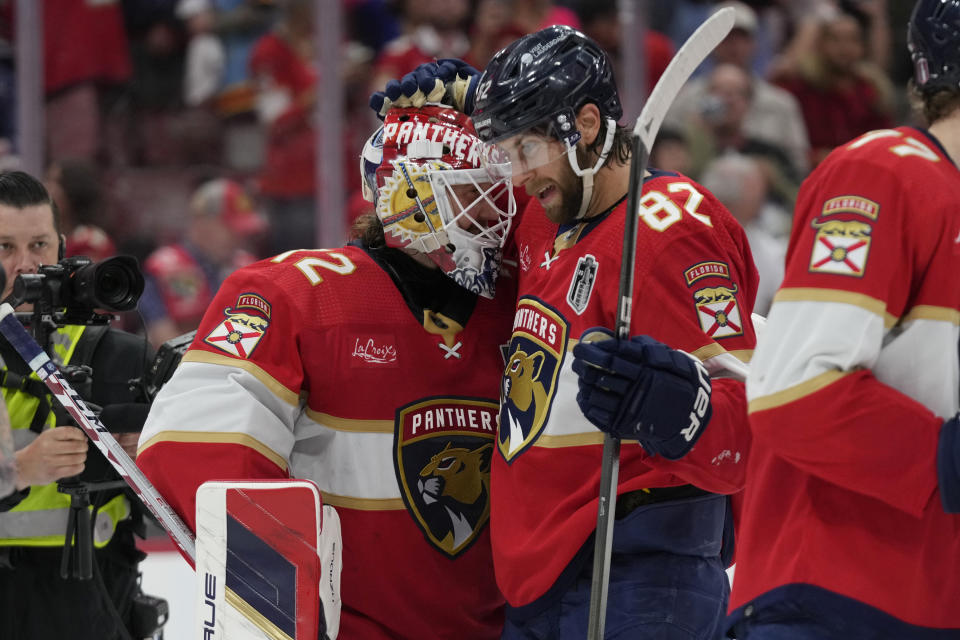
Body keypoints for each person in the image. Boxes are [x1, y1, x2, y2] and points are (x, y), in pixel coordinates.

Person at [371, 25, 758, 638]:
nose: (519, 178)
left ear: (582, 125)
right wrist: (455, 105)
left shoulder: (669, 230)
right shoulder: (546, 216)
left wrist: (675, 404)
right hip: (541, 577)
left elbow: (747, 430)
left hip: (636, 576)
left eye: (526, 152)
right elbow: (463, 201)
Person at [137, 104, 518, 638]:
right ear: (410, 196)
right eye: (469, 188)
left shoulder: (520, 302)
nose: (492, 208)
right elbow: (191, 443)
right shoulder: (295, 293)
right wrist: (279, 603)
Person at [728, 1, 960, 637]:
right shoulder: (886, 172)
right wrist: (945, 456)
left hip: (931, 596)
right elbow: (794, 391)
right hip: (832, 595)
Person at [0, 171, 155, 639]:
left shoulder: (118, 355)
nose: (25, 265)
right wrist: (21, 469)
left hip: (90, 594)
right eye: (4, 247)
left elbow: (184, 493)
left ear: (63, 248)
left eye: (39, 246)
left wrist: (148, 456)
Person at [139, 177, 267, 348]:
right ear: (203, 223)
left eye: (243, 230)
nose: (239, 238)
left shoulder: (249, 266)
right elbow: (162, 338)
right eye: (231, 228)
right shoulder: (164, 268)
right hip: (183, 369)